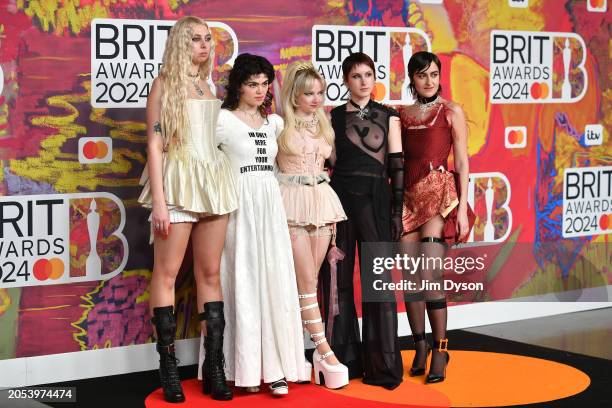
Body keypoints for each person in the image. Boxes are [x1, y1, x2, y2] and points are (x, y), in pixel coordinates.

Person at [138, 16, 237, 402]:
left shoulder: (208, 84)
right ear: (181, 43)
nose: (204, 46)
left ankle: (214, 368)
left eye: (208, 40)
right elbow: (155, 145)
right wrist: (160, 201)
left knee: (210, 274)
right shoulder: (163, 85)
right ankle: (168, 369)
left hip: (212, 182)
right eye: (195, 39)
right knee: (166, 273)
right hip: (177, 185)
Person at [198, 53, 307, 396]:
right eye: (251, 84)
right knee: (240, 281)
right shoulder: (220, 120)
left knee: (273, 281)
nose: (260, 91)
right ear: (237, 86)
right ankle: (239, 368)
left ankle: (275, 369)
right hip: (236, 207)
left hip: (270, 207)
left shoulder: (273, 122)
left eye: (264, 84)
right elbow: (198, 162)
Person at [321, 52, 404, 390]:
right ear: (345, 80)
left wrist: (397, 212)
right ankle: (343, 361)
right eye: (356, 76)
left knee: (378, 283)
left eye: (368, 74)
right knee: (337, 281)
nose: (363, 81)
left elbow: (396, 164)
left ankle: (382, 365)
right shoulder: (334, 116)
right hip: (340, 200)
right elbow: (331, 160)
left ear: (375, 77)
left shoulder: (390, 116)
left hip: (376, 202)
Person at [399, 51, 474, 383]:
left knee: (429, 273)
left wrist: (463, 211)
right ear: (412, 78)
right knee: (410, 276)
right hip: (407, 197)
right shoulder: (401, 114)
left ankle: (441, 349)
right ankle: (420, 346)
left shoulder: (451, 111)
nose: (429, 81)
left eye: (433, 74)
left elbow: (463, 161)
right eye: (421, 75)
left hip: (440, 193)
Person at [276, 61, 349, 389]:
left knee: (307, 281)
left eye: (320, 92)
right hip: (290, 202)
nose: (317, 99)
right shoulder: (277, 124)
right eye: (309, 93)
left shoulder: (325, 123)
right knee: (305, 280)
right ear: (293, 95)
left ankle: (295, 350)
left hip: (322, 201)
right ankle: (322, 349)